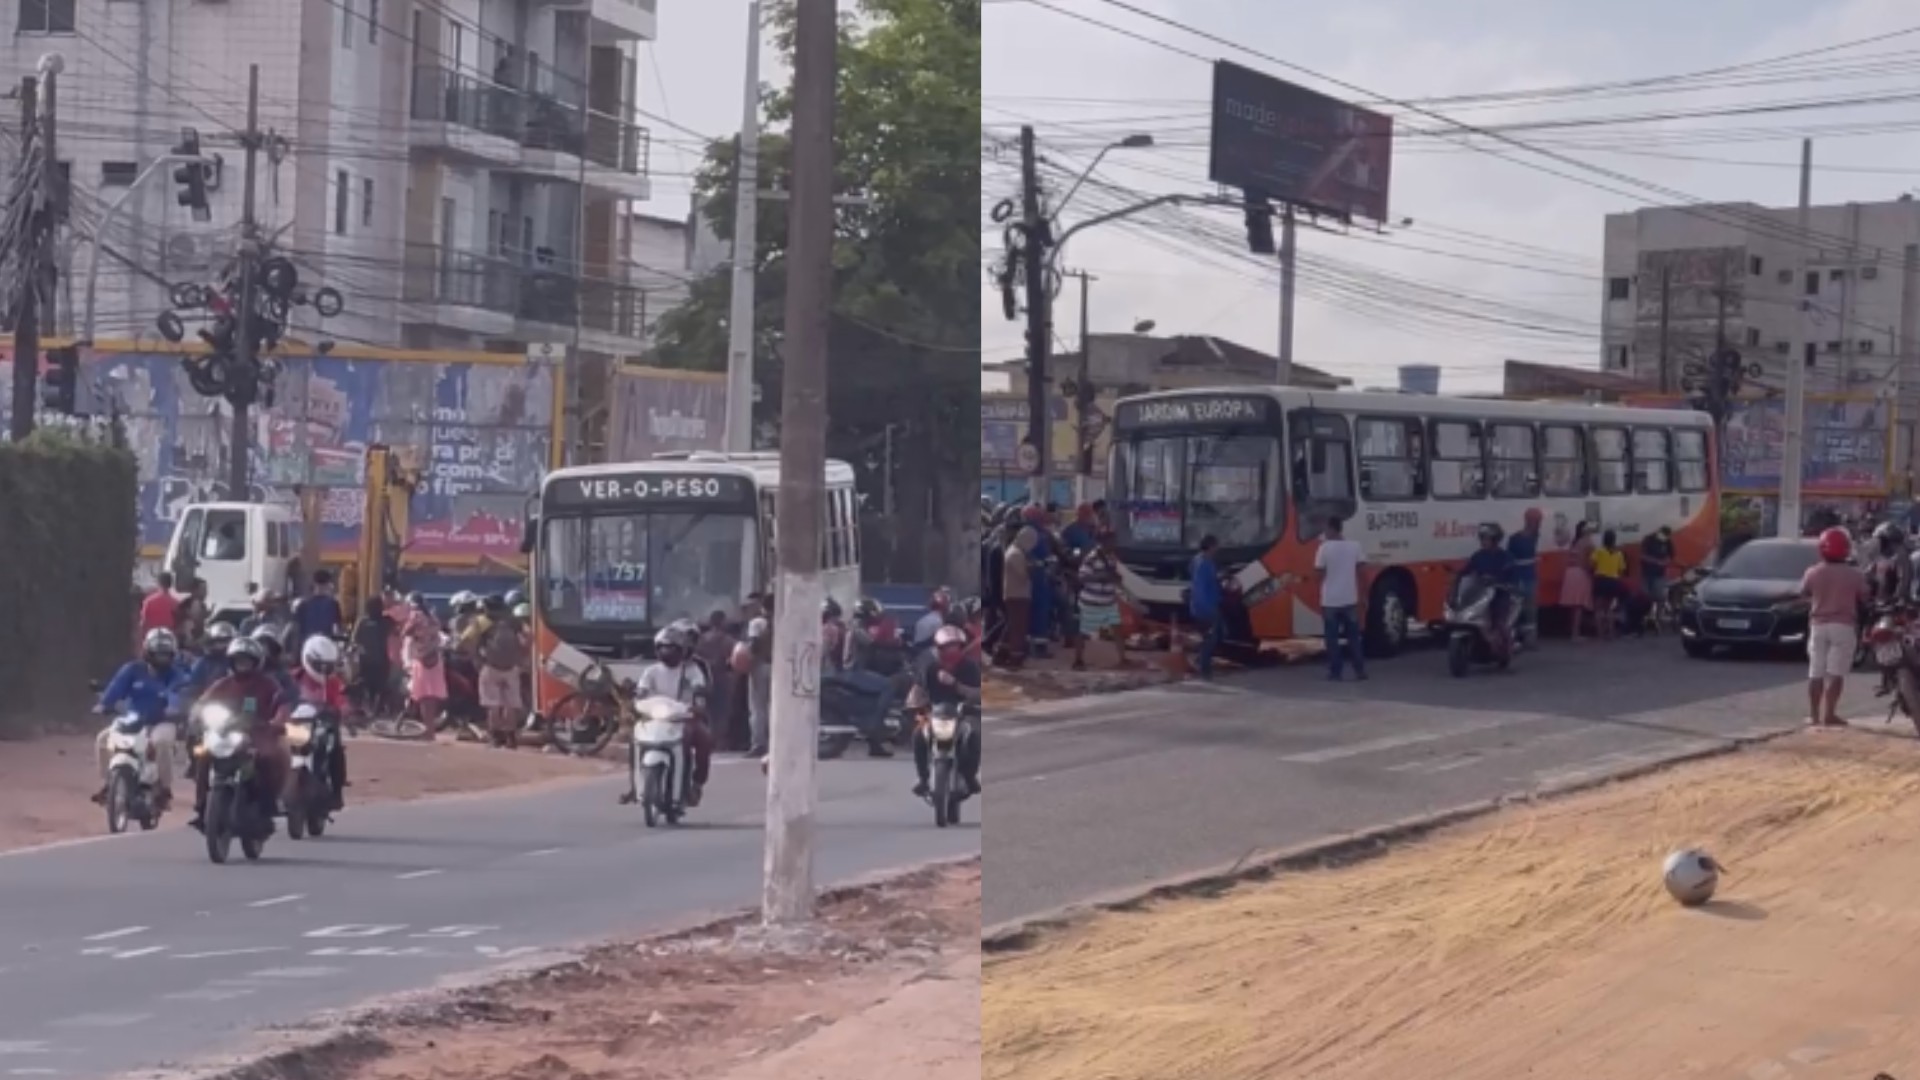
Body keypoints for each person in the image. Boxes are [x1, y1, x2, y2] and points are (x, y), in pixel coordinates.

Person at [188, 635, 290, 831]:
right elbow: (203, 702)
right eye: (238, 660)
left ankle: (268, 805)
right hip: (226, 733)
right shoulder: (223, 684)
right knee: (203, 756)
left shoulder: (268, 684)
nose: (242, 665)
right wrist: (195, 715)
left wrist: (277, 722)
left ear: (256, 662)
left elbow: (282, 705)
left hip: (258, 734)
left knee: (269, 758)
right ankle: (201, 806)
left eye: (246, 660)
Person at [92, 628, 190, 809]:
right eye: (157, 653)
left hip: (161, 721)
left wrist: (173, 707)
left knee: (161, 743)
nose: (162, 658)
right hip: (132, 719)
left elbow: (176, 693)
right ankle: (109, 784)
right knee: (103, 739)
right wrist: (104, 704)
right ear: (147, 652)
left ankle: (164, 789)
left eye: (165, 654)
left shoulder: (176, 674)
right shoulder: (132, 669)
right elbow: (116, 688)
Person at [622, 626, 713, 807]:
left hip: (684, 718)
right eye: (663, 647)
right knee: (634, 741)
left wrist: (698, 702)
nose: (667, 652)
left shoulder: (692, 670)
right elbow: (641, 691)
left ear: (681, 650)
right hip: (654, 718)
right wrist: (635, 698)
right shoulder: (651, 671)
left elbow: (700, 689)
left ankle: (695, 784)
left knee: (704, 739)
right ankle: (635, 787)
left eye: (671, 648)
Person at [1803, 527, 1870, 727]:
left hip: (1818, 626)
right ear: (1846, 549)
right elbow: (1865, 596)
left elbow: (1804, 593)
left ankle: (1814, 716)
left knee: (1816, 672)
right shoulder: (1855, 574)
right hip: (1843, 626)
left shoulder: (1813, 572)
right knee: (1836, 673)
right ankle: (1829, 714)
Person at [910, 624, 982, 799]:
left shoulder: (969, 667)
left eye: (956, 646)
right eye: (948, 646)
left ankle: (970, 776)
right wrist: (914, 704)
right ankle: (923, 778)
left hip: (964, 712)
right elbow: (918, 689)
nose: (952, 650)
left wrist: (955, 685)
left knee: (974, 735)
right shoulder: (930, 666)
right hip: (935, 712)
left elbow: (978, 693)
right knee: (918, 735)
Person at [294, 636, 350, 808]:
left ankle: (337, 791)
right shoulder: (293, 677)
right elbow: (279, 697)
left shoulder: (332, 683)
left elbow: (341, 700)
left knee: (336, 750)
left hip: (322, 726)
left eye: (328, 666)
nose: (324, 670)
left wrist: (343, 710)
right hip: (296, 725)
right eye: (320, 665)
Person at [469, 597, 529, 747]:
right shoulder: (513, 621)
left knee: (493, 704)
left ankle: (495, 737)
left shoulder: (481, 621)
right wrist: (522, 656)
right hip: (511, 667)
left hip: (491, 666)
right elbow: (530, 636)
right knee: (511, 704)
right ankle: (511, 738)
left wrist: (477, 659)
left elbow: (467, 640)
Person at [1316, 517, 1367, 681]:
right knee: (1354, 637)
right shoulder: (1355, 546)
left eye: (1325, 529)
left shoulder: (1324, 548)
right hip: (1350, 599)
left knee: (1332, 639)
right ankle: (1359, 670)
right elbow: (1362, 572)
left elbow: (1319, 573)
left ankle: (1335, 671)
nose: (1324, 532)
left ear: (1331, 529)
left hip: (1330, 600)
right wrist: (1364, 596)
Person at [1074, 529, 1127, 671]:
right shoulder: (1092, 558)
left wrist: (1116, 579)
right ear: (1104, 542)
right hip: (1092, 601)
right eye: (1112, 541)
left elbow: (1114, 576)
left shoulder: (1111, 557)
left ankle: (1123, 658)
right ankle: (1078, 660)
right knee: (1084, 632)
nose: (1115, 544)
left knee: (1117, 629)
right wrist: (1100, 577)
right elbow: (1082, 577)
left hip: (1108, 600)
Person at [403, 592, 448, 731]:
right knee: (432, 696)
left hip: (422, 659)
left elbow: (406, 632)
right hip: (435, 659)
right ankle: (431, 729)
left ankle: (427, 731)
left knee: (423, 696)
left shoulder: (415, 615)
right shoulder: (432, 617)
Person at [732, 616, 773, 758]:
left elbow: (754, 643)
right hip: (779, 666)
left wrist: (746, 654)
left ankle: (759, 744)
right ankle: (774, 742)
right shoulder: (783, 619)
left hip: (760, 666)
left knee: (757, 708)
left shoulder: (758, 623)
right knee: (774, 707)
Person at [350, 595, 396, 718]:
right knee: (379, 687)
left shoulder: (363, 621)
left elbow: (354, 640)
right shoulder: (387, 621)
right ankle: (376, 710)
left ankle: (372, 710)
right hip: (380, 659)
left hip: (368, 659)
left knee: (370, 687)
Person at [999, 527, 1036, 668]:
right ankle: (1015, 659)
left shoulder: (1015, 551)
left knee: (1011, 626)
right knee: (1018, 628)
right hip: (1017, 595)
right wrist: (1033, 568)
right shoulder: (1016, 554)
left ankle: (1001, 654)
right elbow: (1023, 575)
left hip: (1015, 593)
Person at [1190, 534, 1225, 680]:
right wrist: (1206, 607)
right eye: (1216, 545)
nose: (1217, 548)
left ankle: (1202, 661)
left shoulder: (1198, 560)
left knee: (1214, 635)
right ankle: (1204, 667)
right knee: (1211, 637)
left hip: (1206, 603)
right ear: (1211, 546)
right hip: (1206, 606)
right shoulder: (1204, 563)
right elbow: (1200, 588)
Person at [1508, 509, 1543, 647]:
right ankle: (1518, 639)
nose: (1539, 524)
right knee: (1522, 609)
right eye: (1537, 521)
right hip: (1522, 578)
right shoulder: (1518, 539)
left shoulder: (1526, 537)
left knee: (1529, 610)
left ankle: (1528, 639)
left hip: (1526, 577)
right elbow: (1511, 559)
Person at [1561, 521, 1596, 641]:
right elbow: (1588, 562)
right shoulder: (1588, 542)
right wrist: (1592, 572)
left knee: (1574, 606)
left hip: (1570, 573)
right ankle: (1575, 634)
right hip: (1580, 573)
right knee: (1579, 606)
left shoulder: (1575, 542)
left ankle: (1573, 632)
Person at [1591, 529, 1628, 641]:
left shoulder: (1599, 551)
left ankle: (1600, 634)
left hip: (1600, 579)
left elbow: (1592, 564)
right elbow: (1622, 570)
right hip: (1613, 581)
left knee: (1598, 608)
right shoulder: (1618, 554)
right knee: (1609, 609)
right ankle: (1611, 633)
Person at [292, 570, 343, 650]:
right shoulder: (333, 604)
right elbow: (338, 629)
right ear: (328, 585)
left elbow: (296, 629)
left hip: (306, 647)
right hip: (325, 646)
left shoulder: (303, 605)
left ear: (314, 584)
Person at [1869, 521, 1912, 607]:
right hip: (1880, 603)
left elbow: (1904, 580)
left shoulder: (1901, 556)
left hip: (1892, 606)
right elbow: (1870, 576)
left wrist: (1895, 599)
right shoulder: (1881, 557)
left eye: (1881, 540)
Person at [188, 623, 238, 694]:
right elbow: (194, 687)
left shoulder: (239, 660)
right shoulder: (203, 663)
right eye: (219, 641)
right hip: (212, 701)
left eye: (226, 640)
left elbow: (250, 689)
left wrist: (249, 705)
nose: (223, 644)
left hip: (238, 699)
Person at [138, 572, 180, 651]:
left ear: (158, 583)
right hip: (169, 642)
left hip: (152, 641)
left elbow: (143, 623)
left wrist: (142, 641)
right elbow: (178, 625)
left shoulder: (149, 601)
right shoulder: (176, 604)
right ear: (171, 584)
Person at [1641, 526, 1675, 606]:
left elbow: (1672, 555)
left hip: (1660, 574)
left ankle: (1658, 617)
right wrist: (1657, 562)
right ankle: (1646, 614)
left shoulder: (1667, 541)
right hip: (1647, 573)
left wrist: (1667, 561)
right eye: (1664, 535)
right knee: (1645, 597)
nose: (1665, 538)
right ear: (1659, 532)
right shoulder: (1648, 539)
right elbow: (1643, 556)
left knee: (1660, 597)